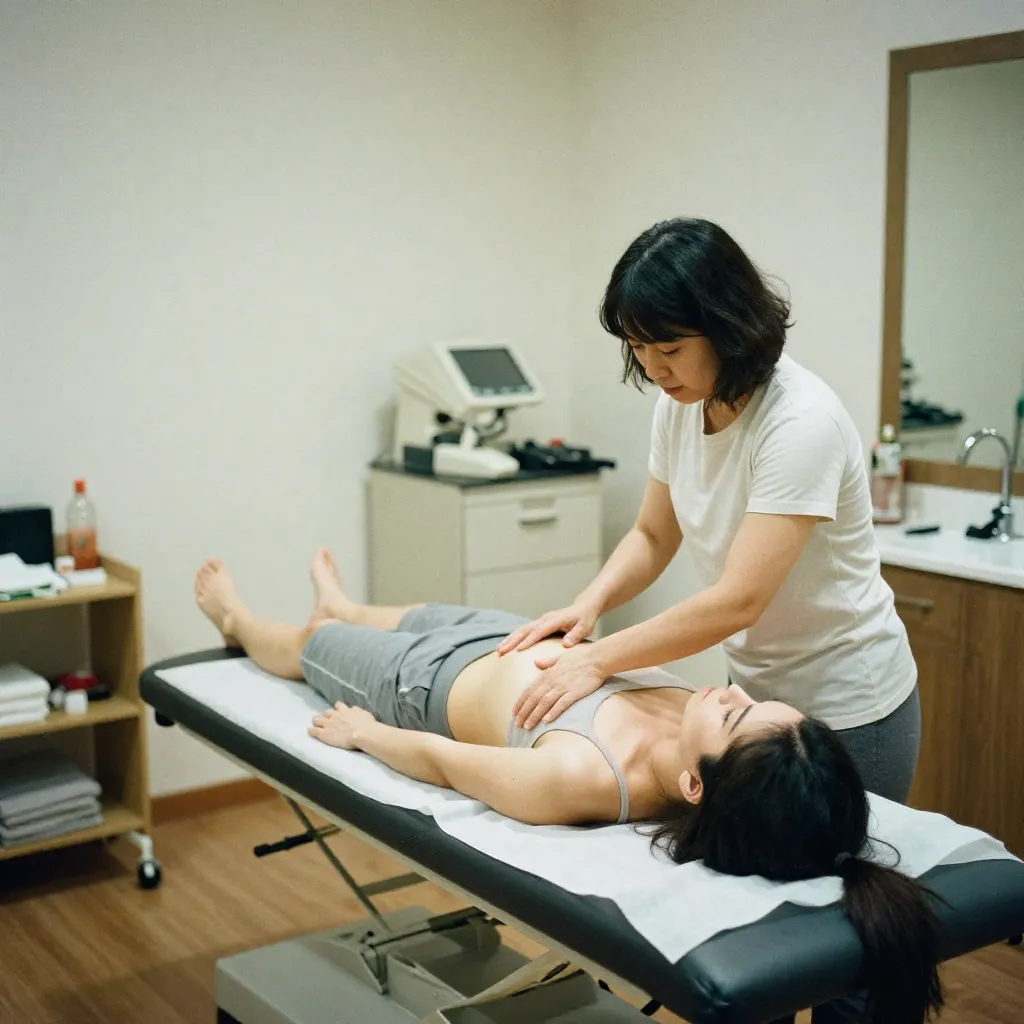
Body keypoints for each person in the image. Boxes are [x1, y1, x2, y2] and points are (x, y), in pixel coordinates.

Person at [194, 548, 943, 1024]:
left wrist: (365, 735)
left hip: (423, 680)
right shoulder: (711, 742)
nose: (728, 695)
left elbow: (448, 764)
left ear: (693, 784)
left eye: (734, 717)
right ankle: (348, 606)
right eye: (747, 701)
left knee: (305, 648)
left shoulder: (582, 775)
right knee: (406, 611)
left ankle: (242, 617)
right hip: (514, 635)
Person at [498, 217, 921, 815]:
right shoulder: (680, 406)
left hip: (848, 704)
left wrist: (597, 658)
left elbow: (737, 601)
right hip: (754, 698)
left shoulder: (800, 424)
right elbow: (651, 534)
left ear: (729, 329)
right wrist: (588, 605)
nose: (652, 368)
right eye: (638, 348)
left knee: (837, 885)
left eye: (669, 348)